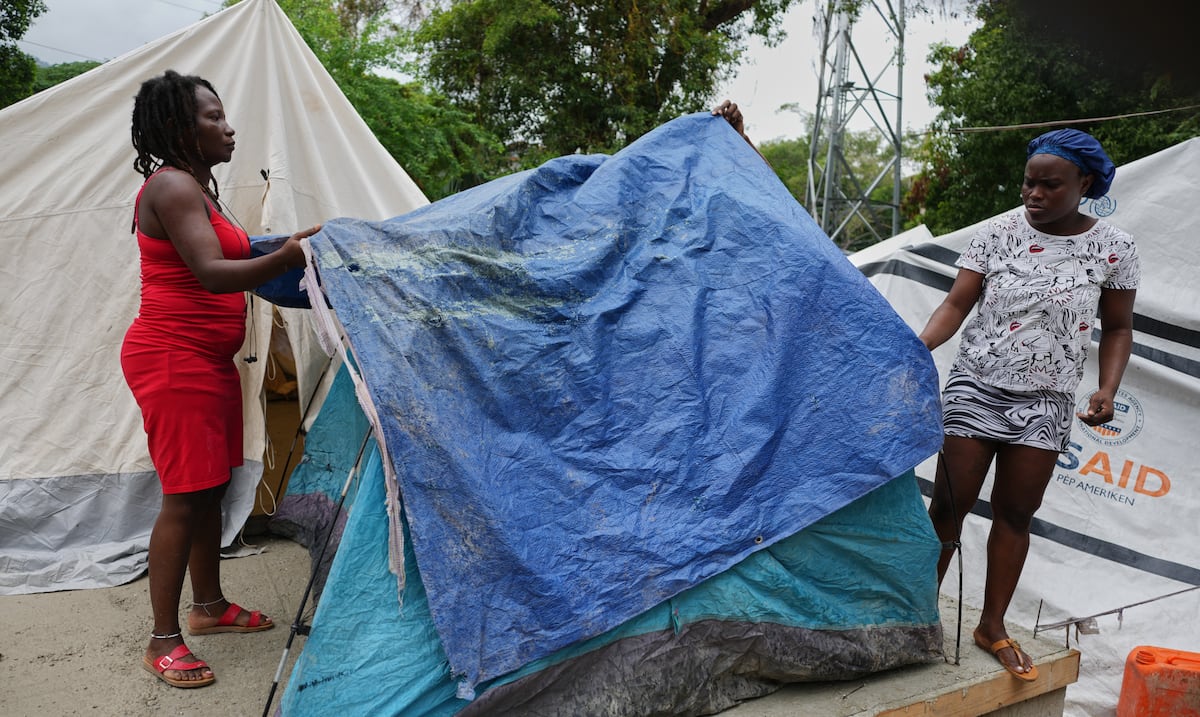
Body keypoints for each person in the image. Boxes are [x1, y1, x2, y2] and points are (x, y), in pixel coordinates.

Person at [123, 70, 320, 688]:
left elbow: (234, 254)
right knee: (184, 498)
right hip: (171, 358)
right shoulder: (174, 186)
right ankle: (162, 639)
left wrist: (284, 247)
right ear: (180, 127)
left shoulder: (200, 188)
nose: (227, 126)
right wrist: (288, 258)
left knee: (209, 488)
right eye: (212, 117)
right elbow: (211, 272)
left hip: (204, 361)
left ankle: (207, 607)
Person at [918, 129, 1139, 681]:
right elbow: (955, 303)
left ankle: (992, 626)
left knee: (1016, 514)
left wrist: (1107, 388)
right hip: (977, 388)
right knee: (949, 505)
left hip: (1047, 401)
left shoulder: (1116, 248)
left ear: (1084, 183)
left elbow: (1117, 327)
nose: (1033, 194)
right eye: (1028, 182)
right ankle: (913, 615)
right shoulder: (997, 234)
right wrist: (917, 349)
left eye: (1049, 184)